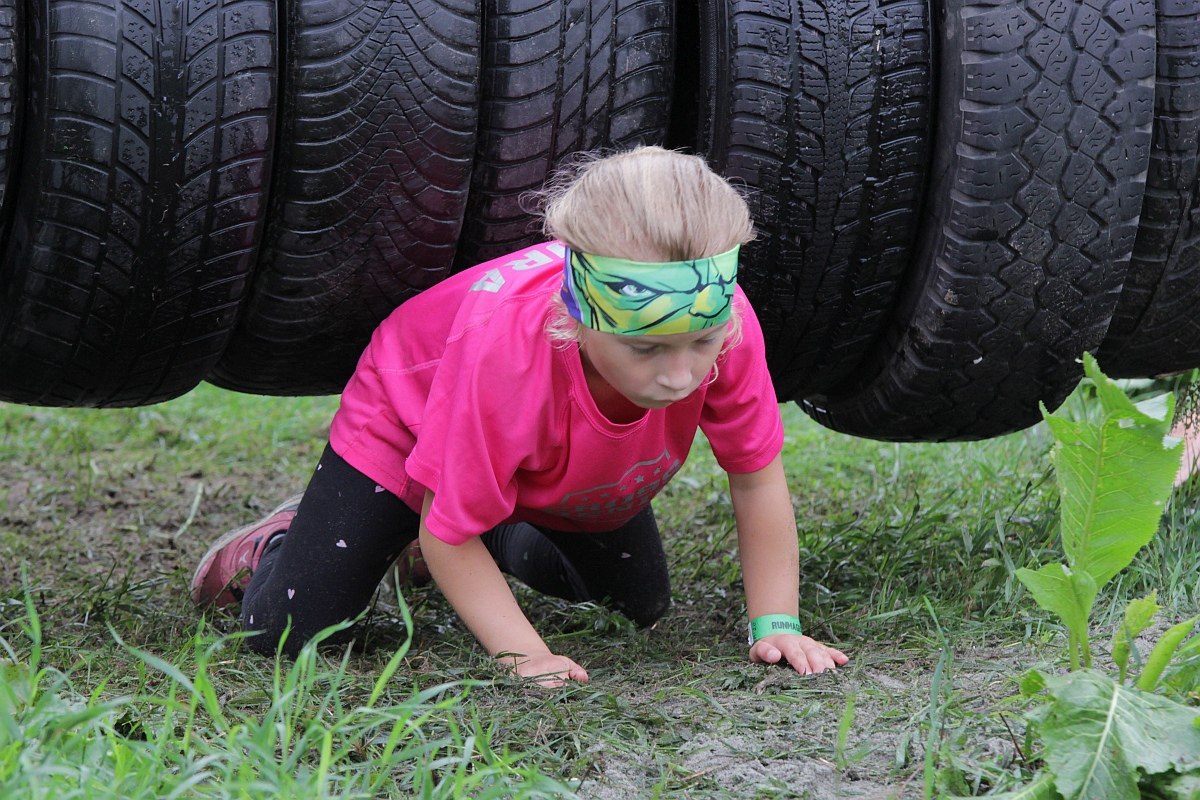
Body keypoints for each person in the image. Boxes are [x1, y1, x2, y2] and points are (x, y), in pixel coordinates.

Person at [190, 146, 849, 686]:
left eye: (700, 345)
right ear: (577, 316)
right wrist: (525, 655)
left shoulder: (725, 321)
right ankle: (277, 540)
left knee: (637, 605)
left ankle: (483, 516)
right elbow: (451, 535)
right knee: (291, 630)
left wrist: (777, 625)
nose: (680, 377)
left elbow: (756, 478)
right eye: (645, 349)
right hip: (409, 419)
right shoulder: (504, 353)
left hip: (523, 456)